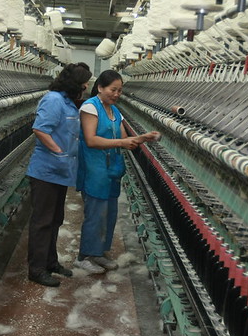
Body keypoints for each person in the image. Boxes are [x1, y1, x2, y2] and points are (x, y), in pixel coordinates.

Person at [74, 70, 158, 274]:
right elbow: (91, 140)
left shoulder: (115, 111)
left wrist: (142, 138)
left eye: (120, 90)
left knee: (109, 214)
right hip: (95, 169)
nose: (117, 94)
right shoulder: (90, 107)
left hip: (111, 169)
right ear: (100, 87)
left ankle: (99, 253)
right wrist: (123, 141)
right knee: (95, 213)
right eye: (113, 89)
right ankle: (84, 256)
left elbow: (124, 138)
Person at [26, 63, 93, 287]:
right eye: (84, 82)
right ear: (75, 83)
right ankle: (36, 269)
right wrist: (59, 153)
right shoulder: (53, 100)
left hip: (60, 171)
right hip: (46, 170)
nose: (86, 86)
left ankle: (50, 262)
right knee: (42, 221)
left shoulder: (67, 103)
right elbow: (40, 129)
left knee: (55, 219)